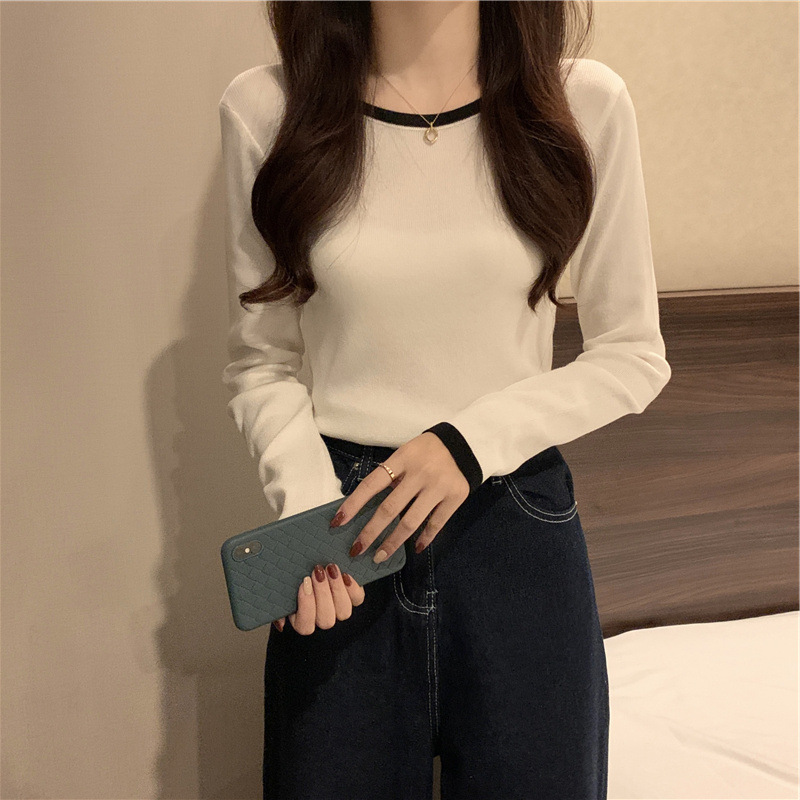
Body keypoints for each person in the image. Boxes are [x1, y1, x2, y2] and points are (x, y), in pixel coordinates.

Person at [218, 1, 671, 797]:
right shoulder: (267, 109)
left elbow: (632, 354)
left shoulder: (583, 104)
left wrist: (467, 443)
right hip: (344, 533)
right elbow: (263, 362)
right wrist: (313, 515)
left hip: (515, 529)